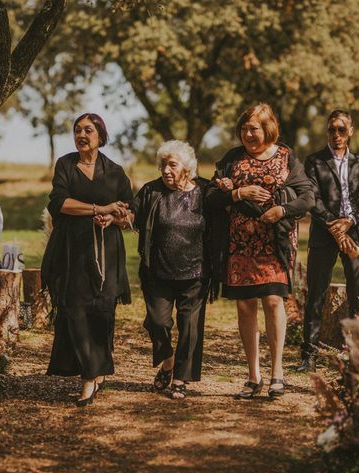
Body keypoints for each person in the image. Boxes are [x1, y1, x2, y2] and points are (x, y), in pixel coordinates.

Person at [205, 103, 314, 398]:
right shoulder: (232, 158)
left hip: (274, 245)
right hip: (238, 245)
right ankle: (253, 375)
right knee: (244, 306)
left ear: (268, 128)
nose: (248, 134)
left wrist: (282, 209)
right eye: (244, 129)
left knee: (274, 301)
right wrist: (238, 192)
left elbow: (308, 197)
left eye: (253, 128)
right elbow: (211, 195)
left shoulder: (285, 156)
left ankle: (277, 371)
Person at [41, 113, 132, 407]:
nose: (82, 135)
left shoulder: (116, 172)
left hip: (107, 252)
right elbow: (60, 203)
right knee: (76, 310)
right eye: (77, 130)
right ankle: (89, 378)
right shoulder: (66, 165)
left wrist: (116, 217)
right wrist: (98, 208)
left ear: (101, 136)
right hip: (71, 250)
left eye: (88, 130)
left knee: (103, 312)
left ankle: (98, 369)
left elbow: (130, 216)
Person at [132, 140, 210, 399]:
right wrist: (118, 216)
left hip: (195, 273)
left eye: (172, 165)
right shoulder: (151, 191)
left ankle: (179, 378)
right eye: (163, 165)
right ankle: (167, 360)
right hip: (158, 273)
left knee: (190, 327)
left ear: (187, 167)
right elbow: (132, 216)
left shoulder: (205, 192)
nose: (166, 170)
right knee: (158, 323)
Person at [300, 110, 359, 373]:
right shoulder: (314, 161)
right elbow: (312, 199)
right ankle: (308, 355)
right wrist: (335, 226)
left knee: (358, 294)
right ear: (327, 131)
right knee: (316, 295)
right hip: (325, 233)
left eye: (341, 129)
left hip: (355, 234)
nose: (336, 134)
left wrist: (350, 221)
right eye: (332, 129)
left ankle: (355, 352)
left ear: (351, 131)